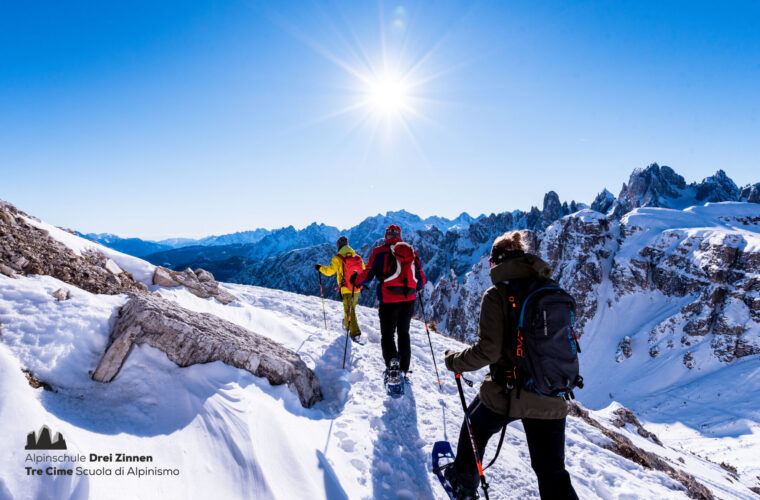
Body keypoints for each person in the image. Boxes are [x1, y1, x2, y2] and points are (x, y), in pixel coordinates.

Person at [443, 231, 579, 500]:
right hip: (553, 392)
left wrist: (454, 361)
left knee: (474, 424)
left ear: (496, 262)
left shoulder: (497, 295)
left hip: (510, 391)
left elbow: (488, 351)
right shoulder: (549, 289)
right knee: (552, 472)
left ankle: (463, 481)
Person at [351, 224, 426, 379]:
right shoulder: (411, 251)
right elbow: (421, 280)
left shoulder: (378, 252)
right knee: (404, 333)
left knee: (387, 334)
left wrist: (355, 281)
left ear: (386, 236)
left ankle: (392, 364)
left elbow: (368, 274)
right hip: (408, 300)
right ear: (399, 235)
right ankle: (404, 368)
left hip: (388, 299)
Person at [315, 236, 365, 340]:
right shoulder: (357, 257)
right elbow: (363, 270)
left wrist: (320, 268)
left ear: (339, 245)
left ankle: (355, 334)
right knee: (351, 309)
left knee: (349, 310)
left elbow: (329, 271)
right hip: (356, 288)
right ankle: (347, 325)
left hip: (346, 288)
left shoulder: (338, 258)